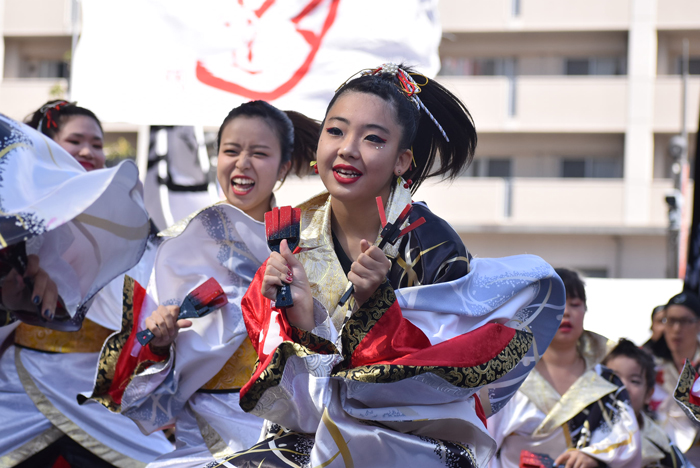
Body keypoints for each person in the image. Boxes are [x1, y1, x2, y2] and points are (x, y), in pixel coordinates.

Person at [210, 63, 566, 468]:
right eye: (336, 131)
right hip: (309, 434)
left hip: (410, 444)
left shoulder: (434, 245)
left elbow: (444, 380)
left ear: (402, 161)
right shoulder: (292, 238)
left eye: (373, 138)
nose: (347, 148)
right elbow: (285, 397)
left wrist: (378, 306)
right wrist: (302, 319)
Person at [79, 101, 320, 468]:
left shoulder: (308, 244)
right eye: (231, 150)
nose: (242, 163)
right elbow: (146, 397)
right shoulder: (177, 247)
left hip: (283, 434)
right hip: (199, 438)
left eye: (259, 153)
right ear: (216, 156)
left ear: (283, 166)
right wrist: (160, 343)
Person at [0, 102, 173, 466]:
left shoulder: (127, 223)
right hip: (23, 381)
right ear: (42, 145)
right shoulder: (13, 218)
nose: (87, 151)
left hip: (102, 392)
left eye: (97, 144)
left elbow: (147, 300)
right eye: (74, 140)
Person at [488, 268, 640, 468]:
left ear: (585, 310)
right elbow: (483, 446)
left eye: (575, 304)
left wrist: (595, 457)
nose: (566, 312)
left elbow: (629, 443)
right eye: (556, 304)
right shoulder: (507, 378)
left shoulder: (608, 382)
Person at [604, 339, 692, 468]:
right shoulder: (582, 428)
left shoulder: (660, 443)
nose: (623, 386)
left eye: (634, 381)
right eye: (614, 378)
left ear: (648, 394)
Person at [654, 291, 700, 464]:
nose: (676, 329)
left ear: (699, 324)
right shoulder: (652, 364)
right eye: (671, 320)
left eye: (685, 321)